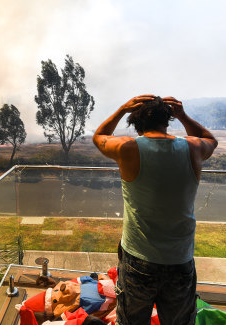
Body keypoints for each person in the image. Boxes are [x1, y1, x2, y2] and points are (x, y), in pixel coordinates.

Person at [93, 95, 217, 325]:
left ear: (135, 122)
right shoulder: (193, 148)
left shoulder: (127, 148)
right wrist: (183, 115)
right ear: (167, 119)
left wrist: (121, 108)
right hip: (180, 258)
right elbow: (210, 139)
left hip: (138, 258)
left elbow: (99, 137)